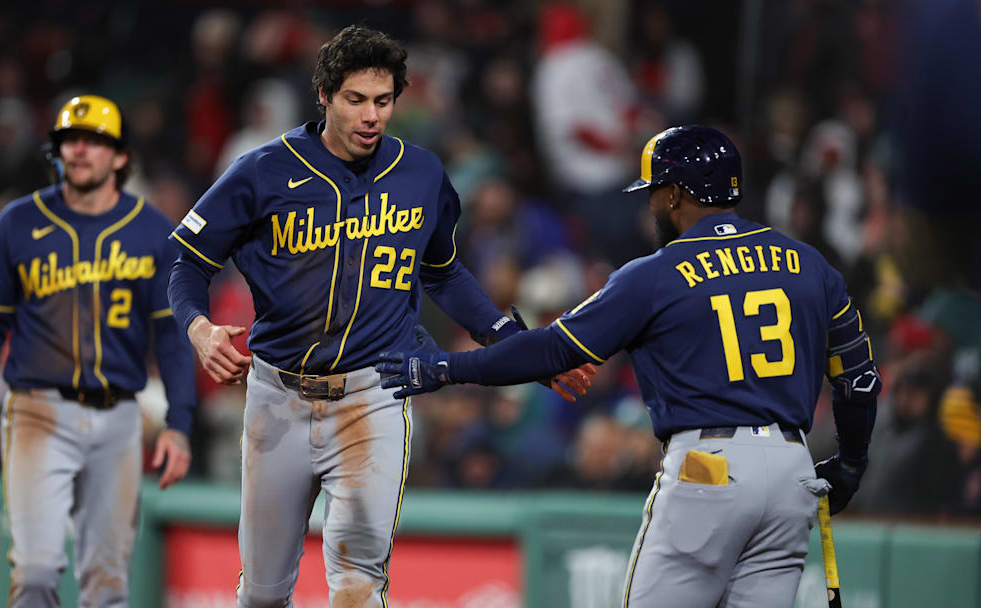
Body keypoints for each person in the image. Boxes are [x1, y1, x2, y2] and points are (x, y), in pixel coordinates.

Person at [166, 25, 593, 607]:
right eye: (356, 99)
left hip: (373, 394)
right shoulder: (263, 170)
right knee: (263, 595)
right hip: (277, 396)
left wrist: (513, 344)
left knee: (359, 587)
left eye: (384, 100)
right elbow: (186, 262)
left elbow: (442, 271)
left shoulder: (420, 174)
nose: (372, 115)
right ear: (324, 94)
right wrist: (198, 326)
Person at [378, 125, 882, 608]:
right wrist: (852, 463)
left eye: (655, 190)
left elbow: (553, 351)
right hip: (793, 473)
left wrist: (445, 369)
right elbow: (858, 381)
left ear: (675, 196)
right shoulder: (810, 264)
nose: (652, 202)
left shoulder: (657, 274)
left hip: (711, 467)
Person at [0, 95, 197, 607]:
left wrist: (180, 422)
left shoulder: (152, 231)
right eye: (70, 141)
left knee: (107, 588)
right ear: (56, 150)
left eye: (95, 141)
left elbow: (171, 338)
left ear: (121, 156)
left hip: (119, 417)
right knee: (36, 573)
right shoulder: (17, 223)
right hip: (39, 411)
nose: (80, 151)